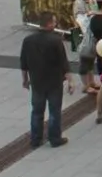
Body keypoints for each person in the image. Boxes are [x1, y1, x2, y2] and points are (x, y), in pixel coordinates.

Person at [20, 11, 75, 149]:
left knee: (37, 111)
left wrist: (25, 80)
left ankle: (35, 139)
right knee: (54, 111)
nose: (56, 24)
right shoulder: (56, 41)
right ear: (49, 24)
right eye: (55, 22)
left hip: (37, 82)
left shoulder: (28, 40)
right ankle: (55, 138)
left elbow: (23, 63)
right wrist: (71, 81)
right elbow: (64, 62)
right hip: (54, 82)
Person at [71, 0, 100, 95]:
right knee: (84, 60)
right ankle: (85, 85)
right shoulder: (79, 2)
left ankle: (92, 81)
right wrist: (91, 14)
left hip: (92, 32)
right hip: (84, 34)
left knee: (91, 58)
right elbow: (79, 19)